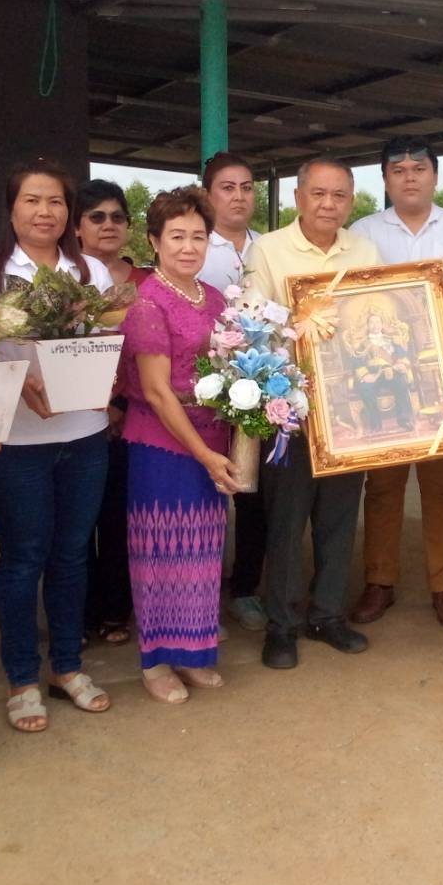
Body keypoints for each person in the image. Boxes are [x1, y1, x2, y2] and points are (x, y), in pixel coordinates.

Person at [0, 159, 115, 733]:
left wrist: (104, 375)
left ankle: (68, 666)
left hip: (82, 435)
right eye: (32, 200)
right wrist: (16, 383)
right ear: (12, 208)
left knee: (72, 554)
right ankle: (22, 678)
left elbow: (102, 344)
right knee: (24, 558)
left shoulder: (89, 273)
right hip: (17, 442)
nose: (45, 212)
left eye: (55, 202)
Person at [348, 137, 443, 629]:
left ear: (435, 175)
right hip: (381, 374)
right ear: (384, 179)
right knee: (382, 485)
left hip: (439, 381)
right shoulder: (363, 233)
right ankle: (379, 581)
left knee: (441, 489)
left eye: (418, 168)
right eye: (398, 169)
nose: (409, 176)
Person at [243, 158, 381, 669]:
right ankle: (281, 625)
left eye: (339, 196)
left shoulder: (364, 250)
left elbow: (373, 314)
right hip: (293, 411)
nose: (328, 204)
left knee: (340, 520)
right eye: (318, 194)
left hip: (350, 411)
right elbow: (257, 327)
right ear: (298, 197)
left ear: (351, 201)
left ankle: (327, 615)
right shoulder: (269, 250)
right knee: (286, 521)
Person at [119, 187, 241, 703]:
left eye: (198, 236)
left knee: (201, 553)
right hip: (163, 446)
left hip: (212, 441)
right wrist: (205, 453)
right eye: (176, 236)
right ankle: (155, 663)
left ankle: (193, 654)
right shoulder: (148, 303)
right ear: (154, 241)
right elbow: (156, 391)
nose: (188, 247)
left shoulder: (214, 299)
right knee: (160, 554)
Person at [196, 152, 268, 635]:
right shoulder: (197, 245)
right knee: (206, 495)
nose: (238, 196)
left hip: (259, 385)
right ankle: (202, 597)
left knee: (255, 497)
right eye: (227, 187)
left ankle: (245, 589)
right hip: (205, 386)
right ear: (208, 194)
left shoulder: (269, 246)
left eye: (246, 187)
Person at [75, 179, 150, 648]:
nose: (108, 225)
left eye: (116, 217)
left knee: (122, 518)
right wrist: (100, 406)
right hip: (79, 415)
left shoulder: (147, 281)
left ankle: (115, 609)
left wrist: (121, 406)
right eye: (96, 217)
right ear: (78, 227)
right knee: (78, 522)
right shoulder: (65, 280)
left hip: (137, 414)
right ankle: (80, 613)